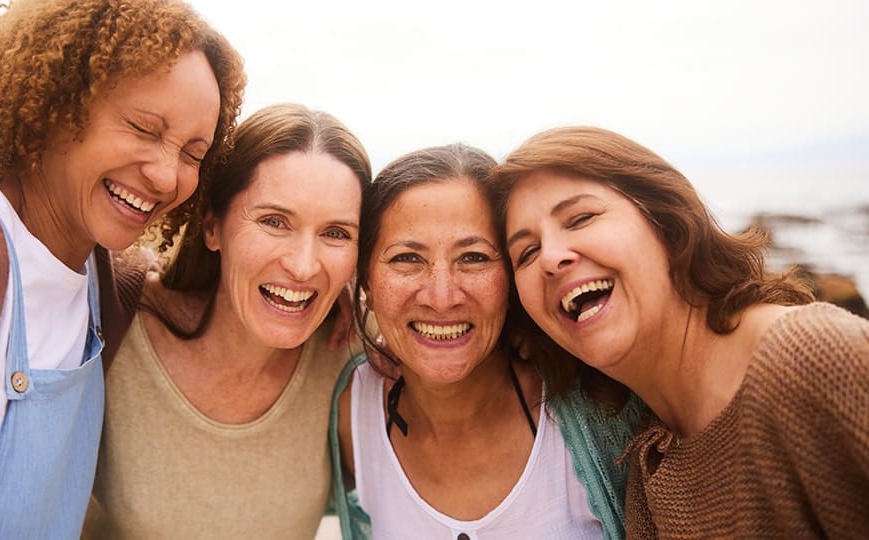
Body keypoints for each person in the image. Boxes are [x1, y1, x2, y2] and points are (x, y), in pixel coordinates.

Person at [0, 0, 245, 537]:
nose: (166, 176)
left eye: (193, 154)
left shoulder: (106, 286)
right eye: (143, 128)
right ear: (54, 104)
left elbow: (181, 288)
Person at [491, 126, 869, 538]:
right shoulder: (646, 460)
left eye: (580, 218)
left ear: (666, 223)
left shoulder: (812, 359)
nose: (551, 257)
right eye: (526, 252)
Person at [83, 103, 371, 539]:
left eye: (336, 233)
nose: (304, 265)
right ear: (212, 226)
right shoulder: (118, 324)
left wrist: (365, 295)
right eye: (275, 221)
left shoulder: (348, 357)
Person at [328, 143, 642, 540]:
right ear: (367, 282)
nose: (442, 297)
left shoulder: (600, 405)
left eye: (474, 257)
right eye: (407, 258)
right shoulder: (349, 410)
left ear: (511, 277)